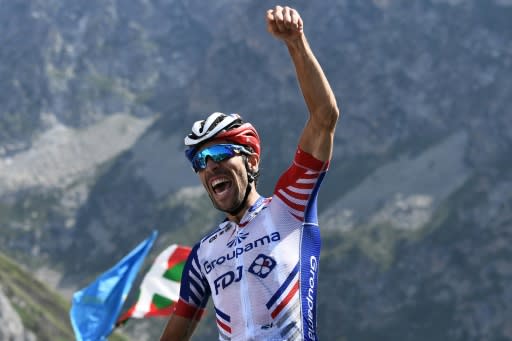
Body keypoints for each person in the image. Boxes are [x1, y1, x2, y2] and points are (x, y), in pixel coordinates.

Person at [160, 5, 339, 341]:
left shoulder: (290, 206)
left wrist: (296, 43)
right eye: (200, 161)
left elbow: (324, 117)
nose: (210, 165)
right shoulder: (204, 254)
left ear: (252, 161)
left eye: (220, 153)